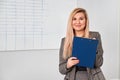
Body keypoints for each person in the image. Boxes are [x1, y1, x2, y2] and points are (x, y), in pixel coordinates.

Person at [59, 8, 105, 80]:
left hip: (93, 77)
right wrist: (68, 65)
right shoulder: (65, 41)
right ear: (71, 22)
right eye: (74, 19)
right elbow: (61, 69)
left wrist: (92, 49)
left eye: (81, 19)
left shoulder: (95, 36)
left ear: (86, 21)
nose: (78, 22)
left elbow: (99, 63)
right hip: (72, 77)